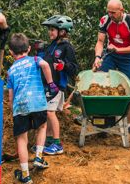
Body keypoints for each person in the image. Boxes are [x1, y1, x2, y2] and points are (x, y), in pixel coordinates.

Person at [7, 33, 59, 184]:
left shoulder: (10, 71)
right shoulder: (35, 59)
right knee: (42, 127)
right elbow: (45, 65)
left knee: (22, 139)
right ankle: (38, 157)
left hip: (20, 106)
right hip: (37, 103)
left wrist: (13, 110)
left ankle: (25, 175)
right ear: (29, 48)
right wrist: (50, 83)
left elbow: (10, 97)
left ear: (11, 52)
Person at [93, 0, 130, 136]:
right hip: (110, 54)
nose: (111, 15)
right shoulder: (105, 20)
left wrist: (118, 49)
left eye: (113, 13)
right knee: (100, 82)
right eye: (109, 12)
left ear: (122, 10)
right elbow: (100, 41)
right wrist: (97, 57)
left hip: (127, 56)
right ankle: (104, 120)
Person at [39, 15, 79, 155]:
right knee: (48, 112)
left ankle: (57, 144)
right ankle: (49, 140)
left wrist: (64, 65)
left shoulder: (67, 47)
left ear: (62, 31)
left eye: (52, 29)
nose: (49, 32)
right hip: (48, 85)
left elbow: (74, 68)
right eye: (49, 29)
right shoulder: (51, 46)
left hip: (57, 85)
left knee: (50, 112)